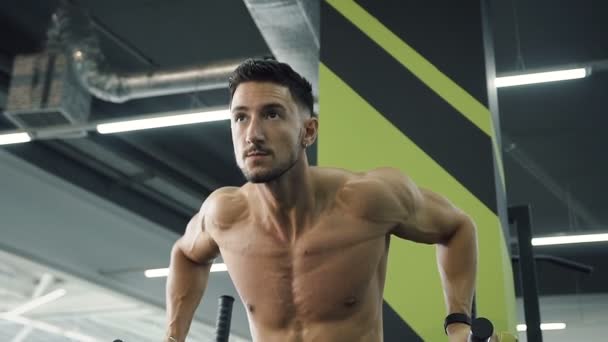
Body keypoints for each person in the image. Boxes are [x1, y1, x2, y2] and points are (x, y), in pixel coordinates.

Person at [164, 58, 478, 342]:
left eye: (272, 114)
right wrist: (173, 336)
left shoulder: (368, 200)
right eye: (241, 118)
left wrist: (459, 323)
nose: (252, 134)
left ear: (309, 131)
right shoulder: (223, 215)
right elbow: (186, 255)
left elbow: (457, 227)